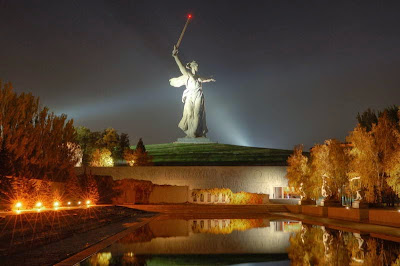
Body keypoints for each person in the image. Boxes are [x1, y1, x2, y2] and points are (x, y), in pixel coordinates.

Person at [169, 45, 215, 138]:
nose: (198, 66)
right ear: (192, 66)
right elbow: (181, 67)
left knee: (197, 114)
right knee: (189, 114)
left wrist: (210, 79)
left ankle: (194, 133)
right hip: (190, 95)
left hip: (198, 95)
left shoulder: (198, 77)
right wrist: (176, 56)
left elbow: (204, 79)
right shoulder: (188, 74)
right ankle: (190, 132)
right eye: (196, 65)